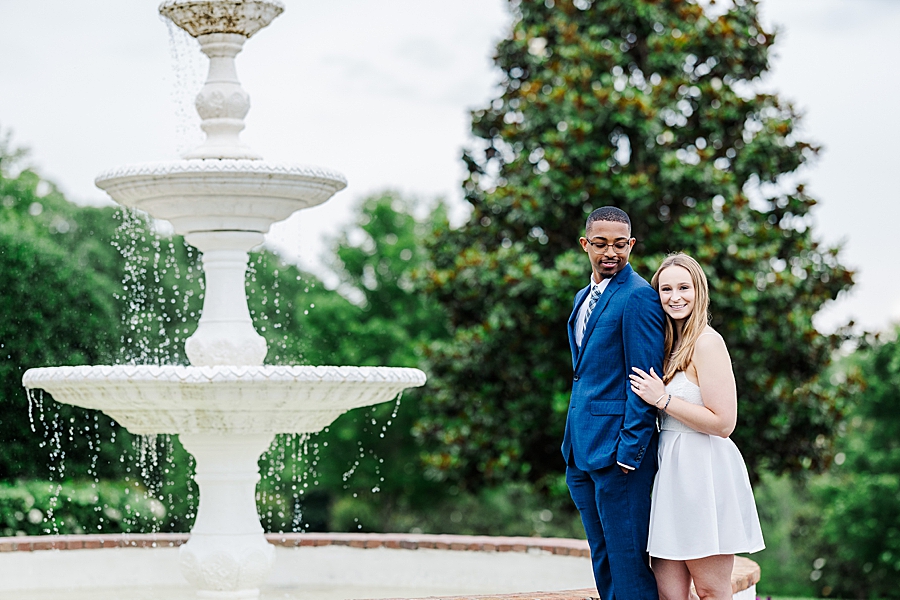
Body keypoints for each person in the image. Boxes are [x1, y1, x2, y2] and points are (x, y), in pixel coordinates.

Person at [629, 253, 765, 600]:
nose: (675, 296)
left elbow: (724, 423)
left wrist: (663, 400)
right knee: (668, 593)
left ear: (699, 290)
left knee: (711, 590)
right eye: (666, 289)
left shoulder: (707, 342)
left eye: (684, 287)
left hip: (703, 473)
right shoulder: (667, 345)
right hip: (669, 472)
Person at [562, 206, 666, 600]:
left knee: (627, 563)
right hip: (580, 451)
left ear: (632, 245)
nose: (611, 253)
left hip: (619, 456)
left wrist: (629, 452)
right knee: (603, 557)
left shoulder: (639, 297)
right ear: (585, 244)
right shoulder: (581, 297)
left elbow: (644, 380)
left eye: (620, 245)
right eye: (601, 244)